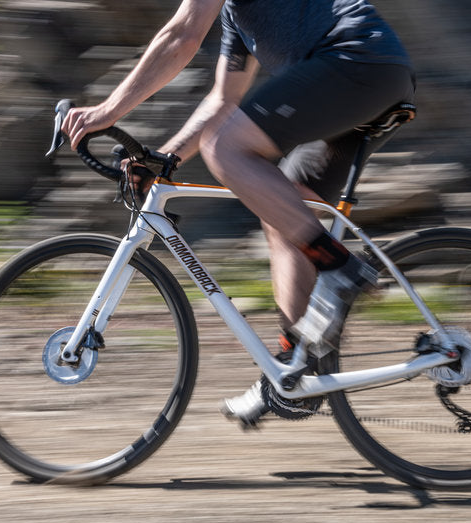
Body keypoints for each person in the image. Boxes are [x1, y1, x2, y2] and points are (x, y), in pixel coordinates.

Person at [62, 0, 415, 428]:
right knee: (283, 210)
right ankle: (295, 372)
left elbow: (182, 35)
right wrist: (166, 158)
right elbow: (224, 100)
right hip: (370, 70)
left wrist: (107, 112)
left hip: (353, 58)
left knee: (226, 148)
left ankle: (338, 268)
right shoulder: (237, 14)